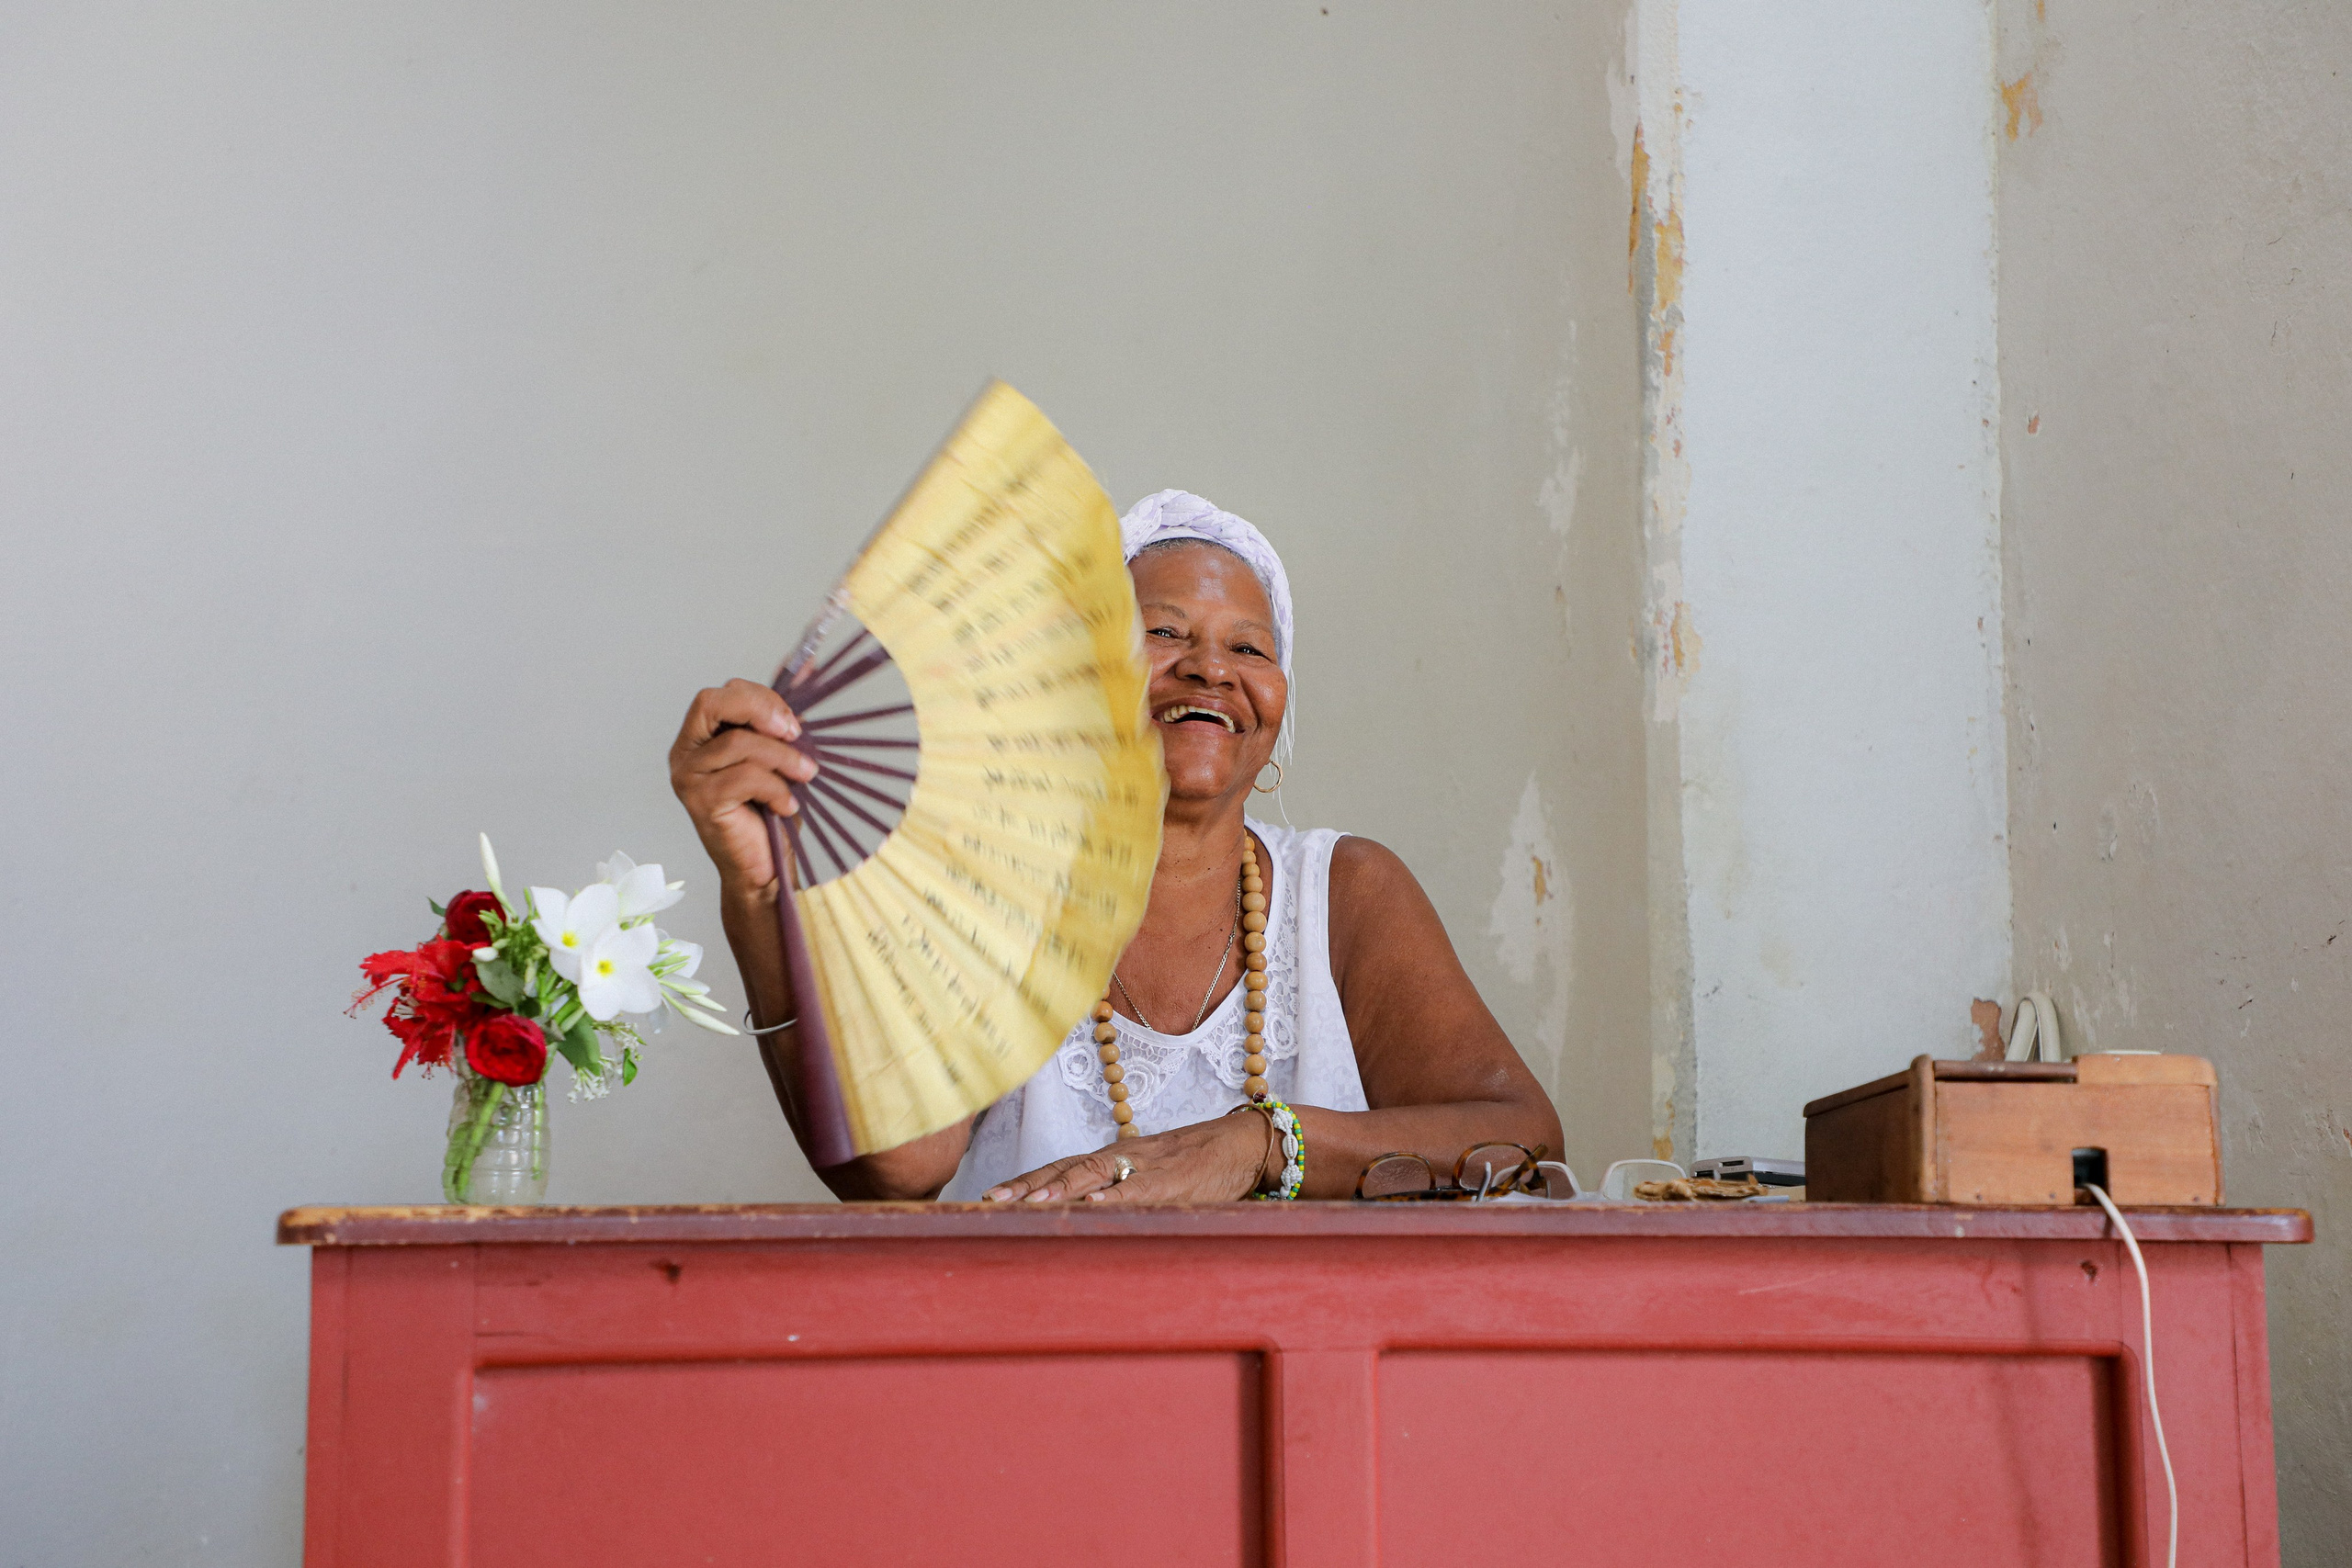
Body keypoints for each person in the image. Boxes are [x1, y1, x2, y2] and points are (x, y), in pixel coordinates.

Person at [668, 490, 1561, 1201]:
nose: (1210, 667)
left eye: (1248, 646)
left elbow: (1524, 1137)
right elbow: (892, 1172)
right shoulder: (991, 895)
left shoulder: (1347, 890)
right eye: (1163, 634)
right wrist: (756, 896)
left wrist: (1258, 1144)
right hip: (1033, 1375)